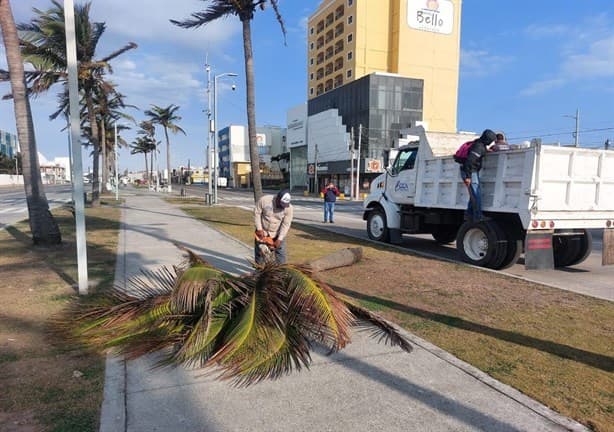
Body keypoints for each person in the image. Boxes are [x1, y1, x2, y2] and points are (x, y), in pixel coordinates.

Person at [461, 129, 497, 221]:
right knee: (476, 194)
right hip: (470, 172)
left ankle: (469, 214)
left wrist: (486, 151)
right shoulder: (478, 147)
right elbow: (469, 161)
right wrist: (468, 177)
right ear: (487, 140)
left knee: (473, 194)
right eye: (491, 140)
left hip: (471, 172)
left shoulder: (479, 144)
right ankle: (478, 216)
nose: (491, 142)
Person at [254, 189, 293, 264]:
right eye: (281, 204)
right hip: (263, 231)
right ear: (277, 198)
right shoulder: (264, 200)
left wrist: (279, 239)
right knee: (260, 254)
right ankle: (259, 272)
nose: (282, 207)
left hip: (277, 233)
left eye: (285, 205)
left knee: (281, 255)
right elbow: (257, 213)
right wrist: (259, 228)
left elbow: (286, 224)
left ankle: (281, 273)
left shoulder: (289, 208)